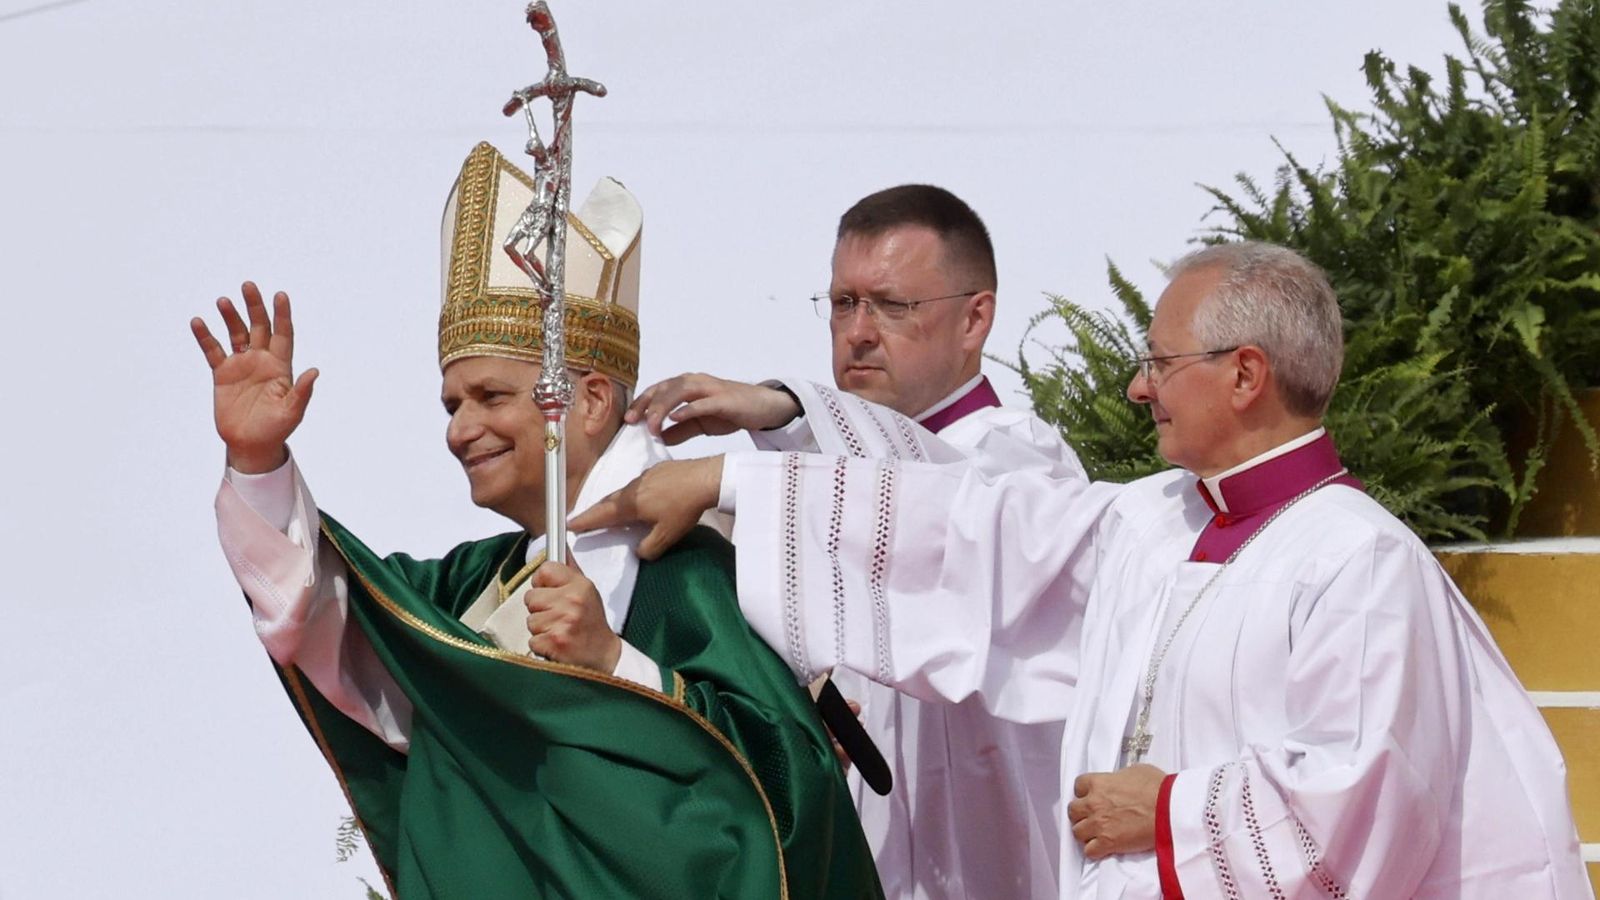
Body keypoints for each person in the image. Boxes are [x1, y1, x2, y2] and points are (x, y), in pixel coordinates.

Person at [576, 241, 1593, 898]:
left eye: (1160, 361)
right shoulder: (1152, 524)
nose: (1136, 384)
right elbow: (974, 530)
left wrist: (1164, 812)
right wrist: (737, 482)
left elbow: (1364, 798)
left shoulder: (1358, 561)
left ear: (1243, 375)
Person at [192, 142, 881, 899]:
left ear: (586, 401)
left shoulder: (695, 569)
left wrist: (616, 665)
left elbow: (791, 801)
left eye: (491, 397)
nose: (460, 430)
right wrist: (259, 461)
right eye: (452, 405)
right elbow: (325, 617)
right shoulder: (469, 587)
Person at [627, 184, 1085, 898]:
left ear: (975, 319)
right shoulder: (823, 491)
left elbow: (939, 508)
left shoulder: (1022, 463)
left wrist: (784, 416)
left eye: (893, 305)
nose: (859, 331)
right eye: (843, 303)